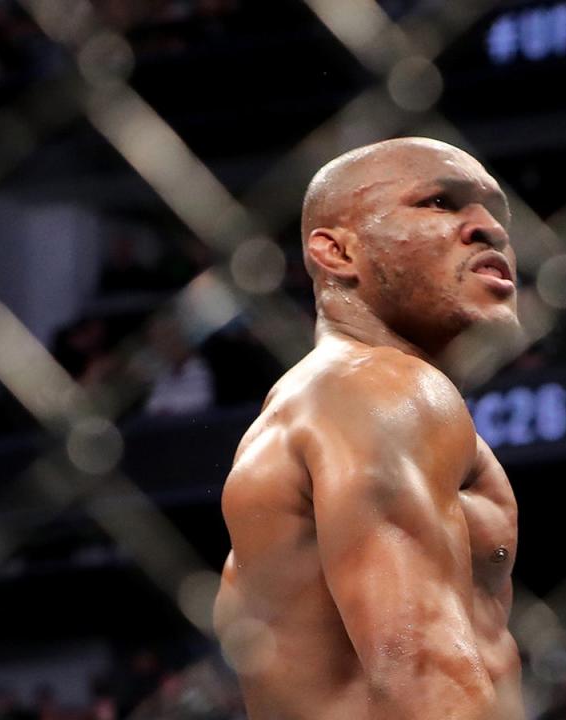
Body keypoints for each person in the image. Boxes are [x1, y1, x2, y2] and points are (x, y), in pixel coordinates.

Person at [214, 137, 524, 720]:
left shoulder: (314, 404)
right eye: (439, 202)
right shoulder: (382, 387)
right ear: (337, 253)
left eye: (496, 211)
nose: (490, 228)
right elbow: (422, 671)